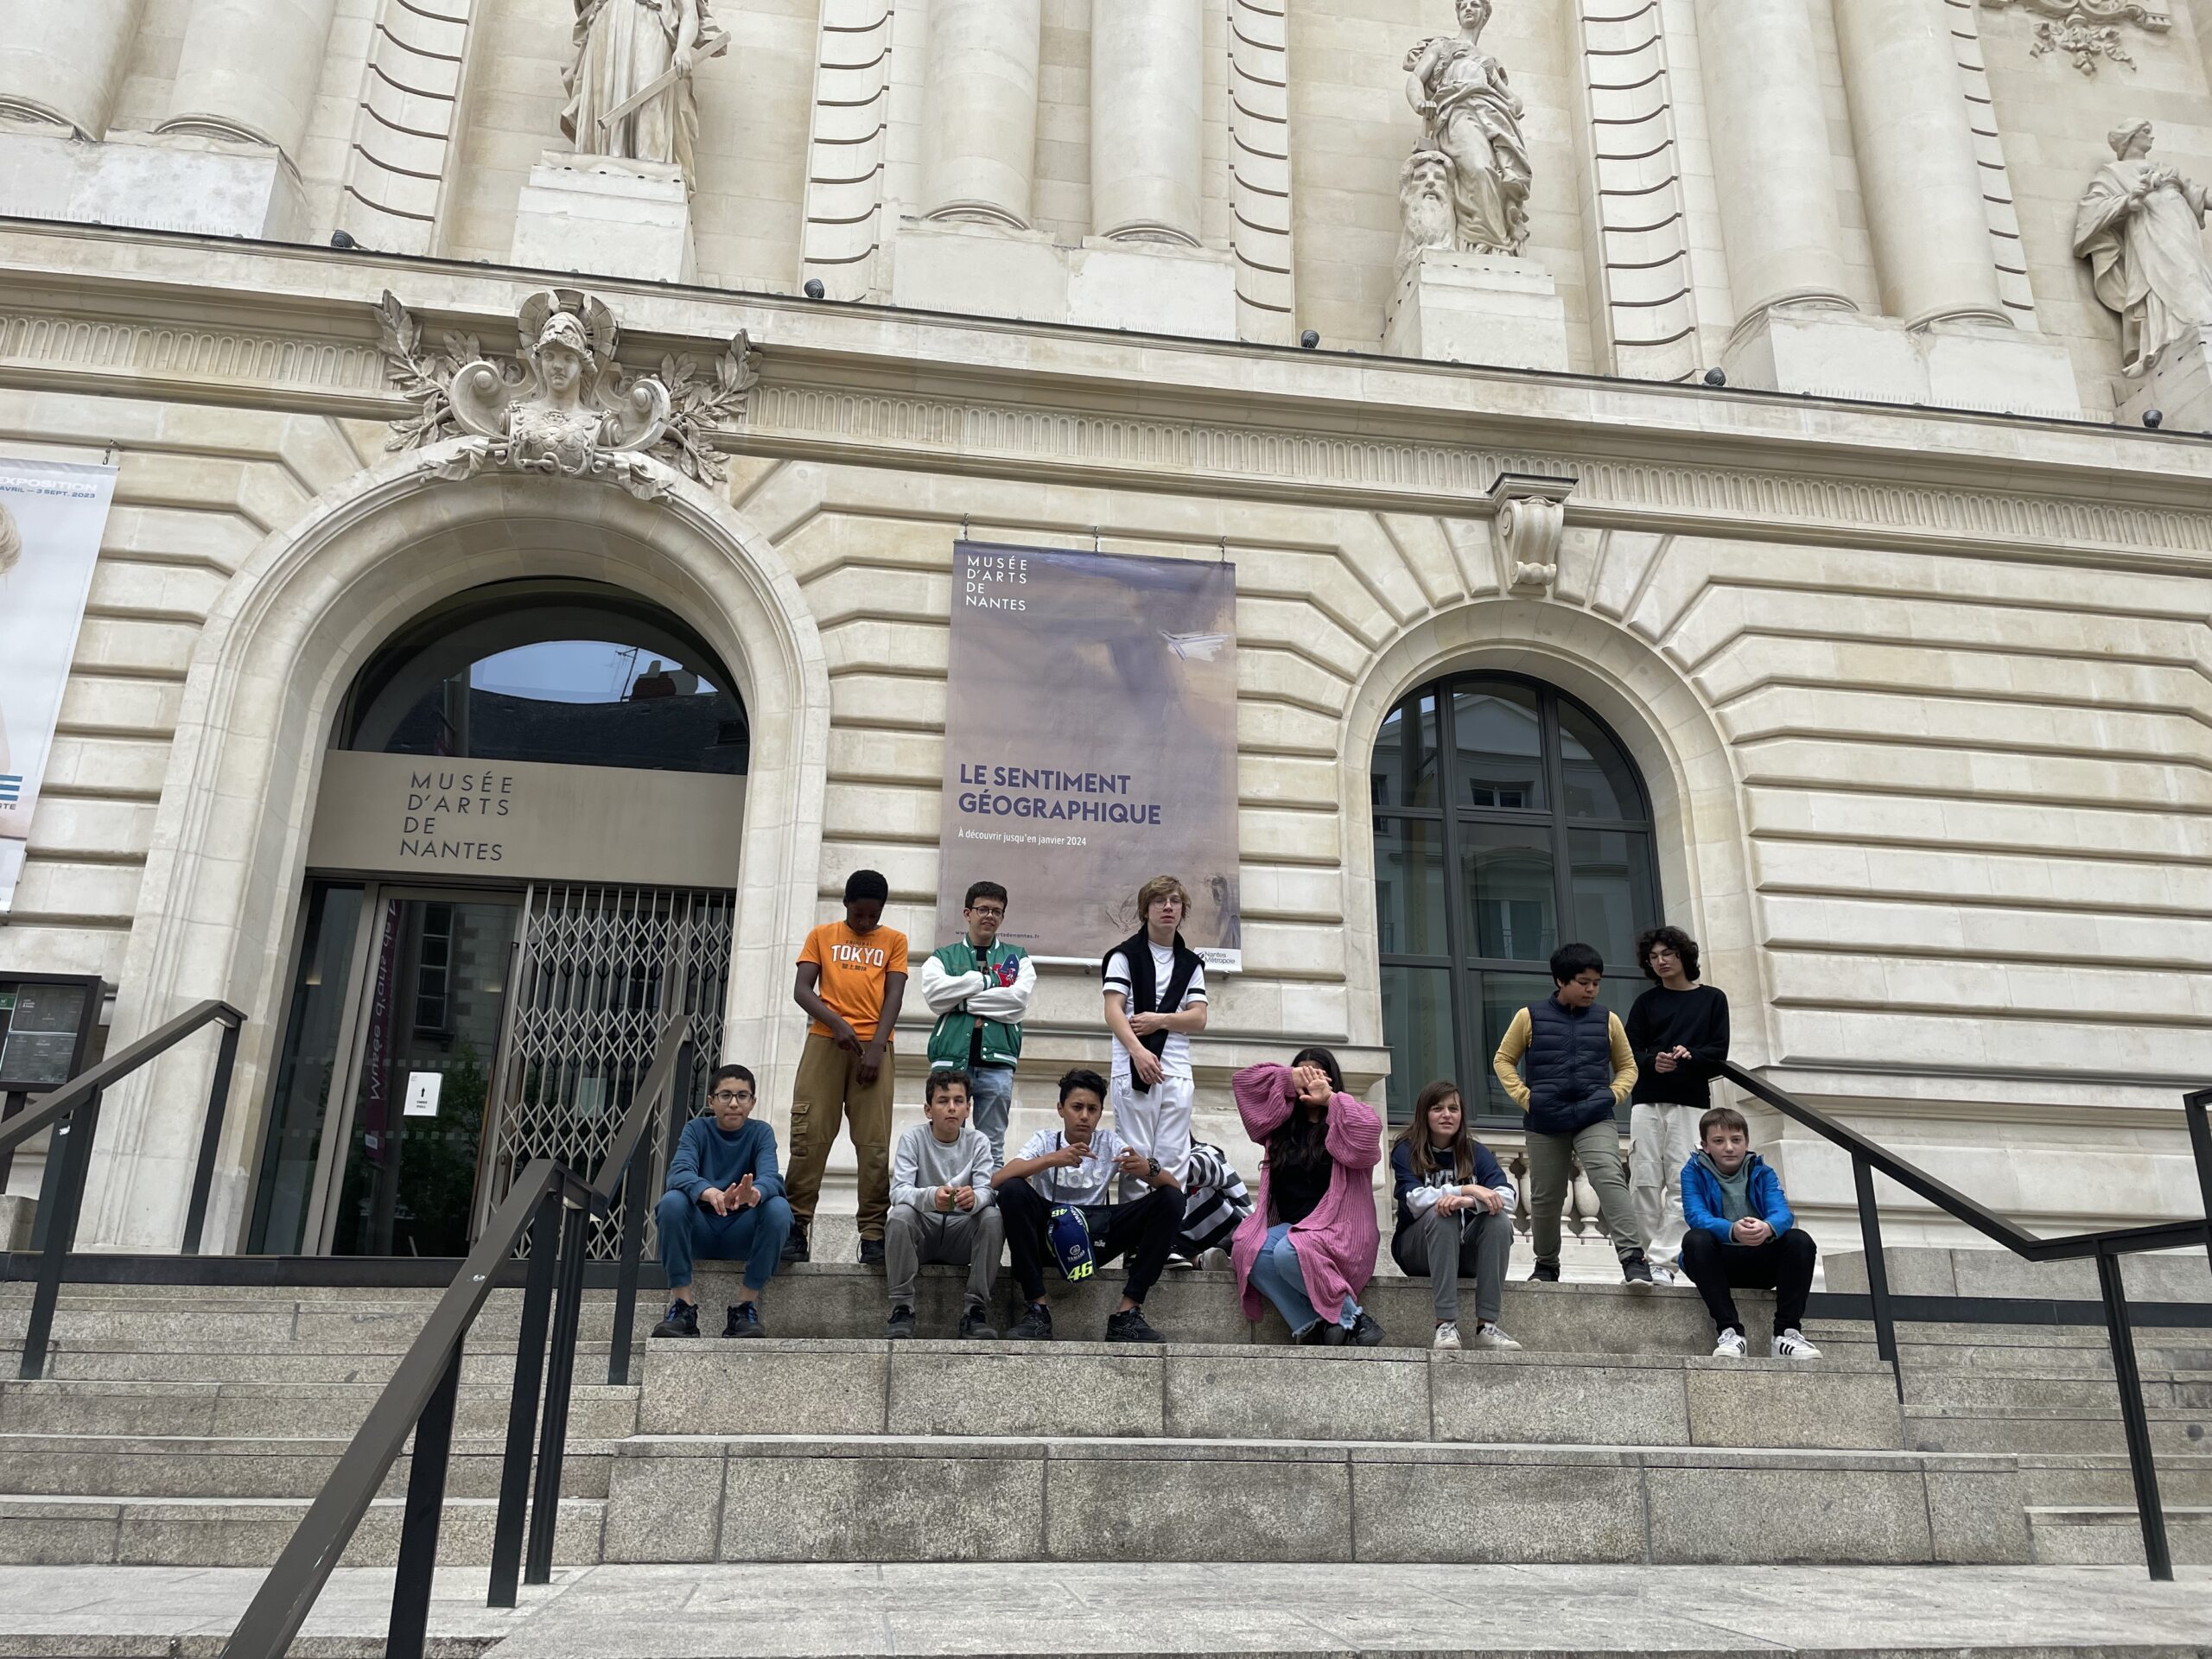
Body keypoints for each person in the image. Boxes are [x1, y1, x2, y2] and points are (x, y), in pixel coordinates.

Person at [1491, 942, 1650, 1287]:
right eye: (1583, 982)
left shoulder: (1608, 1019)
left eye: (1596, 982)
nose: (1591, 989)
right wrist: (1526, 1098)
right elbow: (1503, 1059)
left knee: (1608, 1173)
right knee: (1547, 1195)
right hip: (1544, 1119)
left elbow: (1627, 1067)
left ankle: (1633, 1260)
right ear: (1561, 981)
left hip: (1595, 1115)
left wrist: (1612, 1093)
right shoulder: (1528, 1016)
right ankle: (1546, 1265)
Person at [993, 1067, 1185, 1342]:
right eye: (1077, 1107)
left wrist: (1148, 1167)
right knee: (1012, 1190)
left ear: (1100, 1112)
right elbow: (998, 1179)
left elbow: (1174, 1188)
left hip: (1096, 1236)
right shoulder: (1045, 1140)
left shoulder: (1109, 1142)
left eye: (1092, 1109)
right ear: (1060, 1109)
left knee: (1170, 1199)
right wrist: (1051, 1159)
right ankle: (1037, 1310)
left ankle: (1127, 1314)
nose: (1084, 1116)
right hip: (1049, 1234)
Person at [785, 869, 908, 1266]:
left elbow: (894, 996)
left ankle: (873, 1233)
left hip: (874, 1047)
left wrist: (876, 1047)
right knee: (810, 1135)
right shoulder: (822, 936)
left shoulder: (895, 941)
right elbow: (802, 989)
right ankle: (795, 1225)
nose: (866, 922)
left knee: (874, 1145)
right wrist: (836, 1023)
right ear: (846, 905)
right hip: (825, 1041)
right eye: (859, 914)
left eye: (874, 916)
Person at [1230, 1048, 1384, 1346]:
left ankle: (1355, 1319)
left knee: (1289, 1251)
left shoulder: (1348, 1117)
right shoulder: (1279, 1125)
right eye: (1304, 1071)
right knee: (1248, 1249)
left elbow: (1367, 1138)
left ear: (1332, 1080)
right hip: (1296, 1229)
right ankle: (1311, 1324)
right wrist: (1288, 1078)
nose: (1311, 1078)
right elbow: (1243, 1083)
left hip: (1342, 1230)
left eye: (1318, 1072)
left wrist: (1331, 1100)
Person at [651, 1064, 792, 1338]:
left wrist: (754, 1193)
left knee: (779, 1208)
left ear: (753, 1102)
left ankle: (744, 1307)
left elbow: (772, 1177)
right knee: (672, 1202)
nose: (734, 1104)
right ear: (711, 1101)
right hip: (699, 1230)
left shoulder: (761, 1132)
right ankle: (683, 1307)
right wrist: (710, 1192)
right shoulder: (696, 1129)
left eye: (742, 1096)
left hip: (742, 1232)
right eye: (725, 1095)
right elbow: (679, 1172)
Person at [1625, 926, 1729, 1285]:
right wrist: (1654, 1061)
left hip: (1691, 1104)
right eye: (1653, 957)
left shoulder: (1712, 999)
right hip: (1647, 1102)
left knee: (1686, 1185)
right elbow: (1628, 1053)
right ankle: (1642, 1259)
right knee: (1644, 1181)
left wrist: (1691, 1055)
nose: (1661, 961)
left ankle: (1663, 1261)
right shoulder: (1645, 1003)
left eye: (1667, 954)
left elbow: (1719, 1054)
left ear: (1683, 955)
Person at [1680, 1106, 1821, 1361]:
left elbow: (1783, 1213)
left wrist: (1767, 1228)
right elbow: (1695, 1215)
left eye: (1736, 1140)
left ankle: (1786, 1334)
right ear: (1705, 1145)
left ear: (1746, 1142)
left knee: (1800, 1240)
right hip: (1718, 1264)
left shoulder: (1762, 1171)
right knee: (1695, 1239)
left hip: (1760, 1261)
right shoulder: (1693, 1171)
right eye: (1719, 1141)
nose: (1729, 1148)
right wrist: (1732, 1230)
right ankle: (1730, 1331)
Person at [1389, 1079, 1520, 1351]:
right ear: (1424, 1113)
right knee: (1443, 1213)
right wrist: (1465, 1188)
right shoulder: (1407, 1149)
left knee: (1497, 1221)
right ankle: (1445, 1325)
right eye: (1437, 1108)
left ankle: (1487, 1327)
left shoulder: (1475, 1152)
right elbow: (1412, 1201)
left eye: (1453, 1108)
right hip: (1418, 1251)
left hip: (1465, 1253)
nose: (1447, 1115)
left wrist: (1469, 1201)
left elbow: (1508, 1198)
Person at [1102, 874, 1208, 1200]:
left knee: (1174, 1157)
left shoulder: (1190, 963)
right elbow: (1113, 1010)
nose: (1168, 907)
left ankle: (1168, 1241)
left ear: (1182, 910)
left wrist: (1160, 1021)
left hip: (1176, 1068)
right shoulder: (1124, 956)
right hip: (1134, 1068)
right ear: (1145, 910)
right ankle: (1137, 1247)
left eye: (1175, 901)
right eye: (1160, 901)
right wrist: (1138, 1052)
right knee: (1136, 1158)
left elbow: (1199, 1017)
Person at [918, 880, 1035, 1167]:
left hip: (998, 1061)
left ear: (1003, 917)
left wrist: (959, 1000)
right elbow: (934, 998)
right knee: (944, 1138)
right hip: (949, 1059)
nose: (990, 916)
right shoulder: (942, 957)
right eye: (983, 909)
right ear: (967, 913)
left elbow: (1016, 1003)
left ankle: (987, 1206)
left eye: (997, 911)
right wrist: (986, 982)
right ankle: (944, 1205)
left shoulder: (1017, 957)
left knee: (992, 1143)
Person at [885, 1069, 1002, 1339]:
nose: (951, 1108)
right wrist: (931, 1196)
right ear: (928, 1109)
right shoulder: (912, 1138)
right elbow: (898, 1192)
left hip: (961, 1235)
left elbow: (988, 1190)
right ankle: (902, 1308)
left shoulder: (979, 1142)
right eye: (943, 1101)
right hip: (922, 1235)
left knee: (992, 1217)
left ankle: (975, 1311)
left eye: (959, 1101)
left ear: (968, 1108)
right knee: (900, 1215)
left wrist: (975, 1198)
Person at [1173, 1141, 1252, 1268]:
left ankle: (1210, 1260)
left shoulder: (1207, 1152)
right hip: (1203, 1245)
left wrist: (1152, 1168)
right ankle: (1203, 1260)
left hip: (1240, 1232)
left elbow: (1199, 1167)